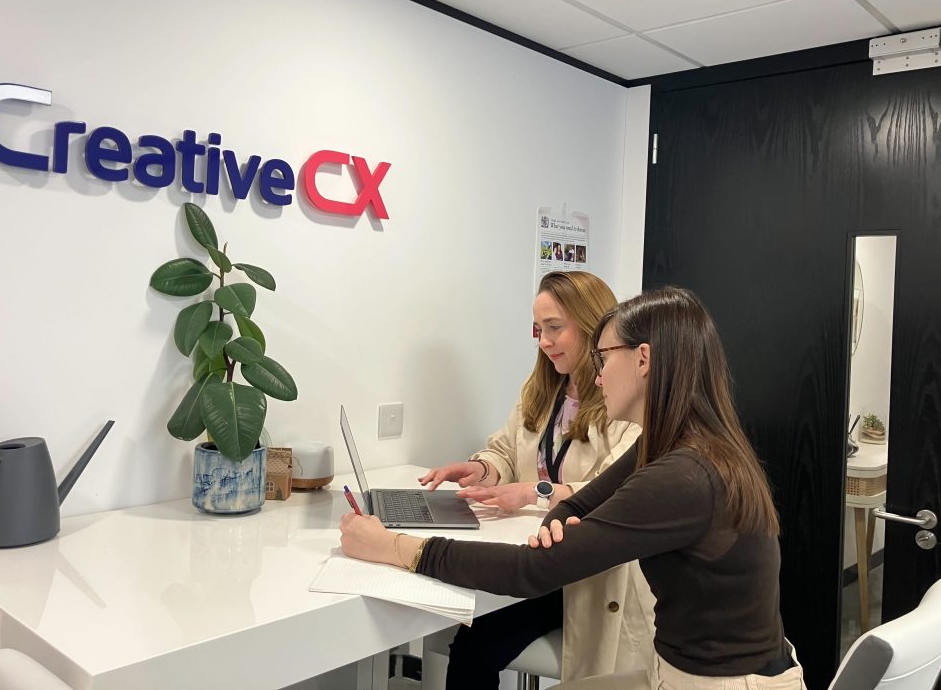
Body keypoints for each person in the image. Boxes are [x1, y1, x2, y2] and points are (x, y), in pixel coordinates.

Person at [341, 287, 805, 690]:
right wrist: (557, 525)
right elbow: (582, 502)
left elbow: (530, 573)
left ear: (643, 359)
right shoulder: (677, 445)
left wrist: (393, 546)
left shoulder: (682, 476)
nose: (597, 376)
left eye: (604, 359)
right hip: (689, 670)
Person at [415, 270, 655, 686]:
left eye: (555, 328)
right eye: (539, 329)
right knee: (473, 646)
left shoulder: (629, 401)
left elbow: (619, 489)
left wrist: (535, 492)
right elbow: (507, 450)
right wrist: (483, 469)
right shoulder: (542, 388)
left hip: (582, 572)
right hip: (533, 553)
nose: (544, 341)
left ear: (593, 325)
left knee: (477, 645)